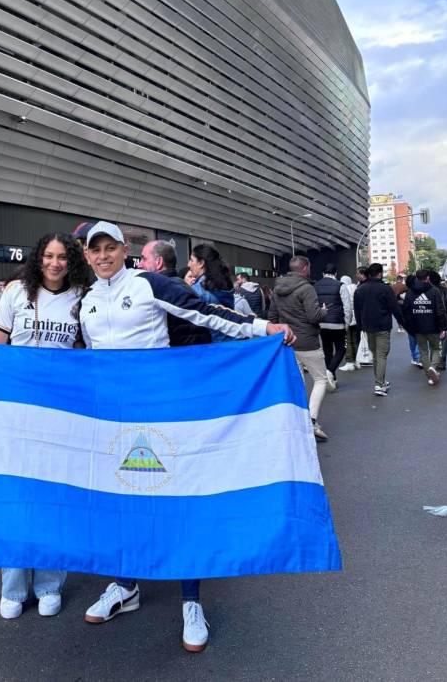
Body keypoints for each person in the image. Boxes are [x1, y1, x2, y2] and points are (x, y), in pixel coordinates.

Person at [78, 222, 295, 653]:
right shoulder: (85, 301)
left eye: (110, 248)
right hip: (113, 420)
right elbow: (67, 358)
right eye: (94, 250)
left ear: (125, 250)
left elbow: (207, 313)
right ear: (86, 256)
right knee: (123, 502)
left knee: (177, 500)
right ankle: (125, 585)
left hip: (163, 414)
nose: (102, 256)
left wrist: (262, 328)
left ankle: (191, 601)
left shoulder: (148, 284)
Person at [0, 232, 93, 620]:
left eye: (62, 257)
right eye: (48, 255)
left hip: (61, 411)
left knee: (53, 495)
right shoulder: (14, 294)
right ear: (37, 257)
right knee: (16, 492)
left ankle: (49, 583)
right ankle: (12, 585)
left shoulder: (82, 297)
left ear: (71, 260)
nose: (55, 263)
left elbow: (90, 353)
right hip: (17, 408)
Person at [268, 256, 329, 440]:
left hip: (287, 341)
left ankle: (299, 419)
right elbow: (313, 316)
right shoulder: (306, 288)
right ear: (304, 268)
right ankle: (311, 419)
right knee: (321, 379)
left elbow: (272, 315)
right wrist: (324, 311)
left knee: (299, 381)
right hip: (308, 341)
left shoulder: (277, 289)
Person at [139, 240, 211, 346]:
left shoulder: (160, 291)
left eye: (144, 259)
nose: (139, 264)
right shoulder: (179, 287)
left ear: (158, 262)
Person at [353, 263, 404, 396]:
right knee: (381, 355)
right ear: (380, 273)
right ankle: (379, 384)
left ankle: (380, 380)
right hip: (383, 326)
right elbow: (394, 308)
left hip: (367, 327)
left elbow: (357, 310)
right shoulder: (385, 289)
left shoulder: (360, 289)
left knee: (376, 354)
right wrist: (402, 322)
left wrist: (360, 327)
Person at [188, 244, 252, 341]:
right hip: (230, 339)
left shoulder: (198, 290)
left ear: (201, 263)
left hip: (211, 345)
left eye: (191, 260)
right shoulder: (224, 283)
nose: (189, 264)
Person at [401, 269, 447, 386]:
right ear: (428, 278)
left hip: (417, 328)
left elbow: (406, 311)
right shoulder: (434, 291)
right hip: (433, 327)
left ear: (417, 278)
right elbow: (440, 311)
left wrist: (409, 327)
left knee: (423, 351)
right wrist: (443, 327)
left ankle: (430, 376)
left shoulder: (410, 292)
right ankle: (433, 368)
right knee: (436, 348)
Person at [314, 264, 351, 390]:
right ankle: (329, 372)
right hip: (337, 323)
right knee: (341, 349)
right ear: (336, 273)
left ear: (322, 273)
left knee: (327, 350)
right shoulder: (341, 286)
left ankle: (332, 379)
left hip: (322, 323)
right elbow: (347, 307)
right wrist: (347, 323)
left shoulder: (315, 286)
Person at [428, 271, 447, 371]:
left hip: (431, 320)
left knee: (433, 342)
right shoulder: (445, 290)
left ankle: (433, 362)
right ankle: (442, 362)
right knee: (443, 341)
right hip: (444, 319)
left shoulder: (429, 291)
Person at [337, 275, 360, 371]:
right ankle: (356, 360)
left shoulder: (343, 289)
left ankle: (349, 361)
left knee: (347, 340)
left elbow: (345, 305)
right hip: (356, 318)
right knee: (355, 340)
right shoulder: (356, 288)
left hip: (348, 318)